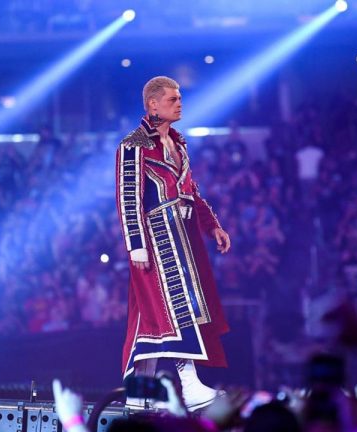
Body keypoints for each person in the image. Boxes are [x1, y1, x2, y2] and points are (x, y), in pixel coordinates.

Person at [115, 76, 231, 411]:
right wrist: (136, 245)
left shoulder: (179, 143)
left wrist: (212, 225)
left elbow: (191, 191)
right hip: (156, 241)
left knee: (151, 319)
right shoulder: (133, 145)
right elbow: (128, 198)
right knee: (176, 310)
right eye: (172, 99)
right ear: (153, 104)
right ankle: (189, 385)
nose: (179, 104)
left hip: (184, 238)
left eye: (180, 98)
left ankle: (138, 392)